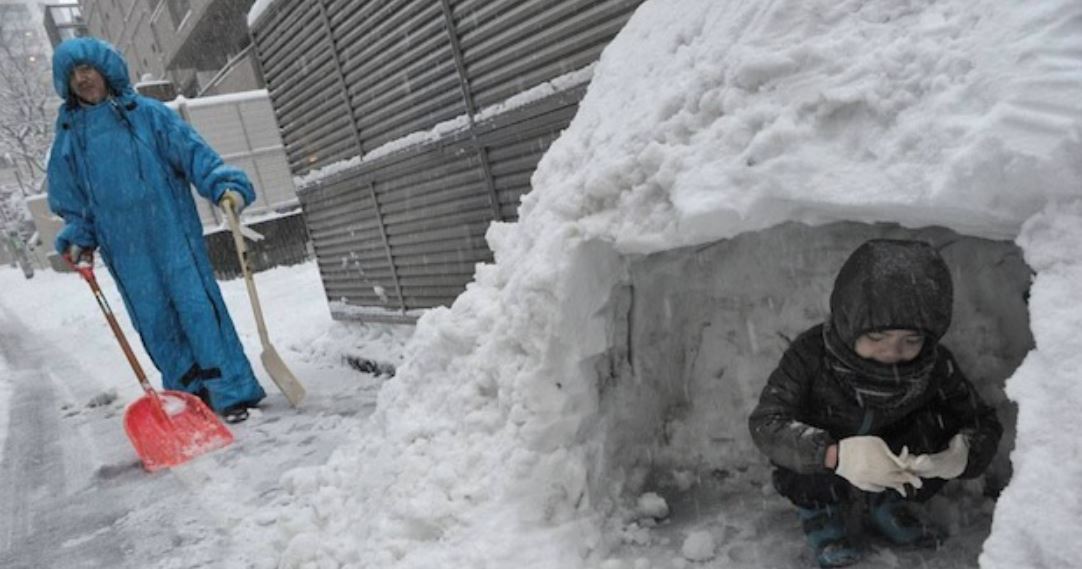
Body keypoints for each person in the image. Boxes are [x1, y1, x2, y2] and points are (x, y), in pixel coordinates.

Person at [46, 37, 265, 423]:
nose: (82, 79)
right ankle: (187, 398)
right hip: (126, 252)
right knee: (156, 322)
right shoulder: (69, 139)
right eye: (73, 74)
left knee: (198, 309)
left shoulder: (148, 115)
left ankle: (230, 392)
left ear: (105, 70)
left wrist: (224, 185)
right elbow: (73, 202)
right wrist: (79, 237)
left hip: (172, 235)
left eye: (87, 69)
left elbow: (194, 154)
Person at [748, 239, 1002, 568]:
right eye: (877, 337)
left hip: (896, 457)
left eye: (911, 339)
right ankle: (822, 513)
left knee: (937, 428)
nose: (892, 351)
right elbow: (767, 423)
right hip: (825, 460)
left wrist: (962, 454)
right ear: (850, 324)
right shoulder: (811, 354)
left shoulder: (935, 365)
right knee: (802, 456)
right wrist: (835, 455)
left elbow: (981, 421)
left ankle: (888, 501)